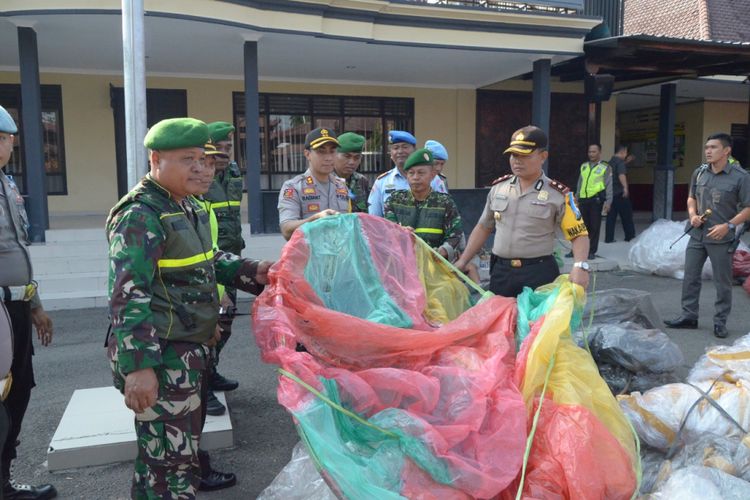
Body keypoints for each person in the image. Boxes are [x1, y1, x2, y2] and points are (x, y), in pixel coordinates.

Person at [106, 117, 272, 498]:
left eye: (206, 159)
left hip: (188, 352)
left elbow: (208, 261)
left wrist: (256, 272)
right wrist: (139, 369)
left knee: (177, 459)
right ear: (156, 159)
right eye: (188, 159)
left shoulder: (188, 206)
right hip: (161, 358)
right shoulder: (141, 214)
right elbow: (128, 295)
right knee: (167, 465)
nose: (201, 168)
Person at [455, 126, 591, 297]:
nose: (517, 161)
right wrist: (463, 260)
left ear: (543, 156)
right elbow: (483, 227)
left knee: (536, 323)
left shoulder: (558, 194)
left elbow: (579, 234)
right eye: (514, 155)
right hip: (501, 272)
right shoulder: (499, 188)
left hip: (539, 273)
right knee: (501, 321)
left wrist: (580, 266)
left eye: (525, 155)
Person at [0, 105, 57, 500]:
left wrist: (36, 306)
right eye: (4, 138)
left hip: (16, 309)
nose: (8, 146)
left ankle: (3, 481)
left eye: (8, 140)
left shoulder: (6, 183)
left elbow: (16, 251)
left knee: (16, 392)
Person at [664, 133, 750, 338]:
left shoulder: (741, 177)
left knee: (722, 282)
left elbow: (748, 208)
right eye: (706, 148)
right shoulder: (700, 172)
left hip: (721, 237)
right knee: (691, 277)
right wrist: (692, 215)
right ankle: (689, 316)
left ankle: (720, 322)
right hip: (697, 234)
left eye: (713, 147)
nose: (708, 151)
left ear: (726, 151)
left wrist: (728, 225)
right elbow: (691, 198)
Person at [204, 122, 245, 415]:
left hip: (230, 258)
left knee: (226, 323)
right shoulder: (201, 179)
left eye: (229, 147)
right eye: (221, 146)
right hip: (207, 263)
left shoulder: (232, 173)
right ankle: (201, 385)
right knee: (209, 326)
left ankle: (211, 370)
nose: (225, 152)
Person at [384, 148, 463, 260]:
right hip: (403, 265)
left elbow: (455, 235)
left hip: (435, 266)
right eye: (411, 173)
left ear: (432, 175)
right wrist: (400, 233)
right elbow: (388, 230)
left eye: (421, 173)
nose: (416, 177)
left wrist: (443, 251)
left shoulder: (445, 203)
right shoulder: (394, 200)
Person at [277, 127, 351, 240]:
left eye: (332, 151)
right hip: (308, 255)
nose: (328, 157)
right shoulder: (293, 187)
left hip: (340, 255)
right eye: (321, 151)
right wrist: (316, 219)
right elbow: (286, 230)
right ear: (307, 154)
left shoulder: (341, 185)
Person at [368, 131, 447, 217]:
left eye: (405, 147)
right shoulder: (382, 182)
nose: (400, 151)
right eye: (395, 148)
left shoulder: (434, 179)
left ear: (414, 151)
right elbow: (374, 219)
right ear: (390, 154)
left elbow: (446, 212)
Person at [574, 143, 612, 259]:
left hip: (596, 200)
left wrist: (608, 202)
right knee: (580, 227)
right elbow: (580, 183)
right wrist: (576, 197)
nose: (591, 154)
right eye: (590, 152)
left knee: (594, 226)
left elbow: (609, 185)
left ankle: (591, 251)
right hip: (583, 199)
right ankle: (576, 250)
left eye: (594, 152)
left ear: (600, 152)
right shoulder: (584, 166)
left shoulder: (605, 167)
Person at [605, 144, 636, 243]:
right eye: (626, 152)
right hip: (619, 192)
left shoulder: (610, 162)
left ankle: (609, 238)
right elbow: (621, 174)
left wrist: (626, 162)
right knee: (627, 216)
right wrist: (625, 188)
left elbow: (615, 170)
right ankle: (630, 236)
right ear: (622, 152)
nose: (626, 155)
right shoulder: (620, 163)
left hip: (611, 193)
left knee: (611, 217)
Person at [334, 132, 371, 213]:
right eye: (347, 156)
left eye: (357, 157)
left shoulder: (362, 181)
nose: (352, 162)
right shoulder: (325, 180)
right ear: (334, 155)